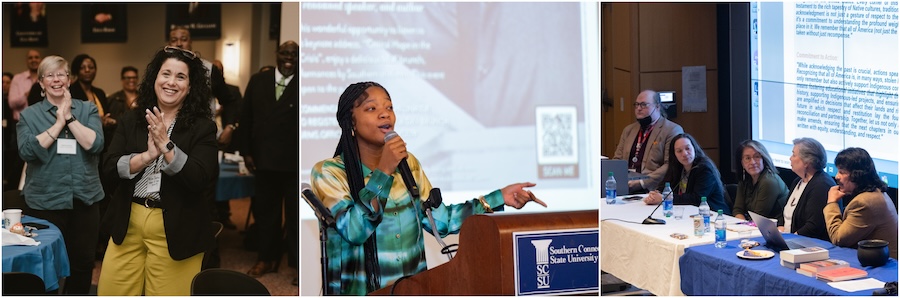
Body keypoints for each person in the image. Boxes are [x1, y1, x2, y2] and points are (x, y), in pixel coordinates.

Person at [311, 81, 545, 295]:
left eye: (389, 107)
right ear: (351, 121)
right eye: (371, 108)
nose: (385, 113)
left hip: (412, 290)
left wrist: (498, 197)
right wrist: (384, 171)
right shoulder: (329, 172)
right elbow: (354, 230)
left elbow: (440, 221)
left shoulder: (408, 164)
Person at [98, 47, 217, 295]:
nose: (171, 82)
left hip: (176, 226)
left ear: (190, 87)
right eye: (166, 74)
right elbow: (108, 167)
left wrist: (166, 146)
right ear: (155, 78)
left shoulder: (202, 127)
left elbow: (200, 178)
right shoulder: (132, 119)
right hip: (128, 221)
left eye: (180, 77)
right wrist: (146, 157)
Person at [17, 55, 104, 295]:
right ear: (41, 83)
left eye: (61, 74)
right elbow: (27, 152)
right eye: (49, 75)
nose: (56, 80)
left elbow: (96, 144)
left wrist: (69, 117)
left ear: (69, 79)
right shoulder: (29, 115)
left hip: (85, 200)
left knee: (83, 264)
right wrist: (57, 123)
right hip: (44, 202)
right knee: (47, 266)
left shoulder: (87, 109)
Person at [238, 41, 299, 278]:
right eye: (285, 53)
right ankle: (266, 259)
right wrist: (246, 152)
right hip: (263, 161)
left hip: (294, 163)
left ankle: (298, 266)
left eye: (294, 54)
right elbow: (246, 118)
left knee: (294, 218)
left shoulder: (305, 82)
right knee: (266, 215)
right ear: (277, 54)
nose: (289, 58)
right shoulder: (258, 80)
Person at [824, 147, 898, 258]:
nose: (837, 176)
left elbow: (838, 238)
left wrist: (831, 203)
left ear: (857, 175)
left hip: (877, 264)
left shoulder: (864, 203)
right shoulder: (877, 193)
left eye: (842, 172)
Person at [614, 90, 684, 194]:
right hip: (625, 186)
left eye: (643, 105)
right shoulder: (628, 130)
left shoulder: (671, 130)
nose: (638, 108)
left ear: (657, 106)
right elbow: (617, 159)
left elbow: (670, 164)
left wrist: (642, 183)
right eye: (636, 104)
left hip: (652, 189)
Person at [643, 133, 727, 213]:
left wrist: (664, 198)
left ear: (694, 148)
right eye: (679, 151)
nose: (685, 154)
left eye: (687, 148)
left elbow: (696, 199)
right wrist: (655, 195)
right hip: (689, 213)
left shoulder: (704, 169)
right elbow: (665, 186)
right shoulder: (678, 167)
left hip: (713, 214)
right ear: (674, 154)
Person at [776, 137, 836, 242]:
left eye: (794, 155)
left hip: (809, 244)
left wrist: (790, 239)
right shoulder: (797, 181)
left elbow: (814, 226)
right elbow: (784, 213)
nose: (790, 158)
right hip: (790, 240)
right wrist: (780, 229)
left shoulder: (821, 185)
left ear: (807, 162)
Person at [731, 140, 789, 220]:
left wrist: (743, 225)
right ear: (742, 163)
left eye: (757, 157)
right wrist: (741, 222)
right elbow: (738, 210)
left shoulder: (769, 182)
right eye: (747, 158)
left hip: (777, 225)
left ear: (763, 159)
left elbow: (758, 217)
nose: (752, 162)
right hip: (753, 224)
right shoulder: (744, 180)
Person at [69, 54, 112, 145]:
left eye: (91, 67)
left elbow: (105, 114)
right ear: (76, 70)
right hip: (79, 139)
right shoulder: (70, 91)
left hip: (101, 138)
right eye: (82, 68)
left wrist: (107, 120)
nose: (87, 70)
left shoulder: (100, 93)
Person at [8, 49, 42, 121]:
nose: (33, 60)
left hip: (42, 121)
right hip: (21, 122)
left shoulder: (46, 79)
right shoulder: (17, 78)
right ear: (27, 61)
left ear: (40, 60)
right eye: (30, 58)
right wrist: (27, 95)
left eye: (36, 57)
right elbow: (11, 103)